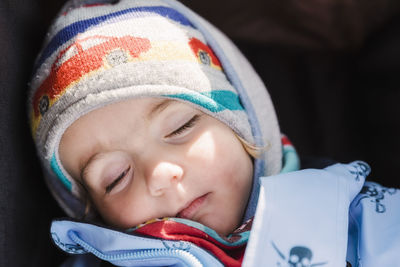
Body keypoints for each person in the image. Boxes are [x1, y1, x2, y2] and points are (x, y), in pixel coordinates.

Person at [28, 0, 400, 266]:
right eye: (115, 178)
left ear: (244, 122)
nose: (160, 174)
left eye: (181, 127)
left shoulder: (352, 211)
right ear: (92, 212)